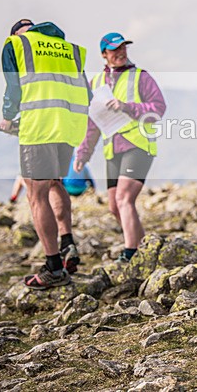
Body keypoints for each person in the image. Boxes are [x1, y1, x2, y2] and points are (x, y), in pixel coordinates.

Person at [0, 20, 90, 289]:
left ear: (16, 33)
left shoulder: (17, 45)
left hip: (39, 126)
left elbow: (14, 87)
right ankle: (67, 245)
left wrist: (7, 117)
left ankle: (54, 268)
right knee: (55, 182)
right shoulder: (69, 49)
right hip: (70, 125)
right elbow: (87, 91)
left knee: (36, 194)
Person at [75, 33, 166, 263]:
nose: (121, 52)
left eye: (123, 47)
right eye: (115, 49)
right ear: (104, 55)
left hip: (138, 145)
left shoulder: (141, 77)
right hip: (112, 150)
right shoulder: (95, 84)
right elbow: (92, 124)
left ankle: (130, 253)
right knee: (115, 206)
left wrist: (127, 107)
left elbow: (158, 108)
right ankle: (147, 250)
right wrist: (83, 154)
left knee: (125, 199)